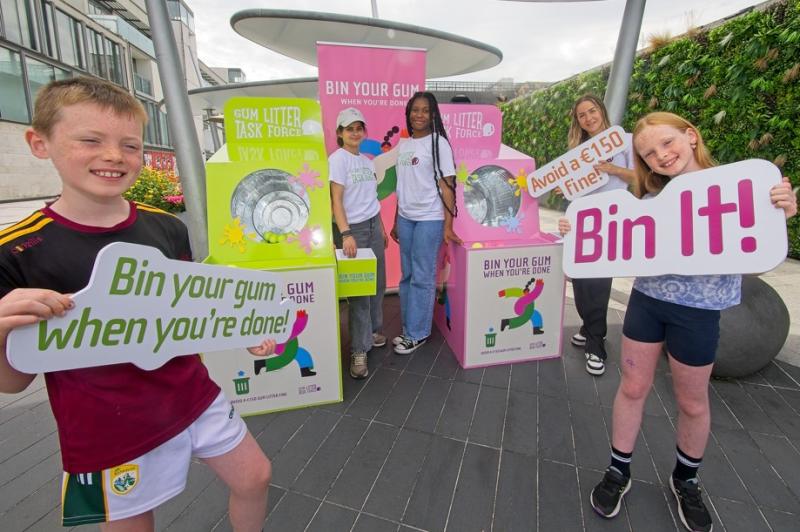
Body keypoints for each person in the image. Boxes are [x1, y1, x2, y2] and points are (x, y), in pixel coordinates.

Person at [0, 77, 276, 531]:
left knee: (255, 475)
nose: (114, 155)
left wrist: (241, 330)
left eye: (130, 145)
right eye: (91, 140)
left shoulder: (167, 227)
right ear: (39, 143)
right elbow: (13, 381)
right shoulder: (18, 251)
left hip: (191, 392)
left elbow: (190, 313)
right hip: (107, 425)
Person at [562, 112, 797, 532]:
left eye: (667, 143)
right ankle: (618, 470)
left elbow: (758, 252)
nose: (661, 156)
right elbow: (612, 237)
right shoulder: (652, 201)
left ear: (690, 136)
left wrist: (778, 211)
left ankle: (686, 479)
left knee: (692, 402)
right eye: (649, 153)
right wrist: (578, 231)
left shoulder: (738, 188)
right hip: (647, 303)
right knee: (632, 388)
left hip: (700, 311)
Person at [563, 94, 636, 376]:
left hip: (609, 221)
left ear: (602, 111)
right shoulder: (579, 151)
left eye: (592, 111)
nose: (588, 118)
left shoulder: (625, 141)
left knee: (598, 281)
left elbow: (641, 177)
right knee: (580, 280)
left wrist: (612, 168)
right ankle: (587, 326)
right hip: (582, 221)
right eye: (582, 115)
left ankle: (596, 344)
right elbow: (576, 188)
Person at [390, 92, 461, 355]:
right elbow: (402, 186)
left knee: (422, 276)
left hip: (430, 218)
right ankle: (409, 328)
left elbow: (448, 185)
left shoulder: (438, 143)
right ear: (408, 113)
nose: (419, 115)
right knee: (407, 276)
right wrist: (396, 219)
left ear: (433, 116)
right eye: (415, 110)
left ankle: (417, 333)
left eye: (425, 110)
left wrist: (448, 226)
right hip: (406, 218)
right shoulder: (405, 145)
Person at [329, 107, 387, 379]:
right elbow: (336, 200)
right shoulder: (337, 160)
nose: (355, 133)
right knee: (359, 294)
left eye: (358, 128)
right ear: (340, 133)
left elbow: (371, 199)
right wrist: (346, 234)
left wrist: (382, 228)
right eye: (349, 128)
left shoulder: (366, 161)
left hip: (373, 226)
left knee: (377, 285)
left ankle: (370, 332)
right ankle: (359, 350)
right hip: (354, 231)